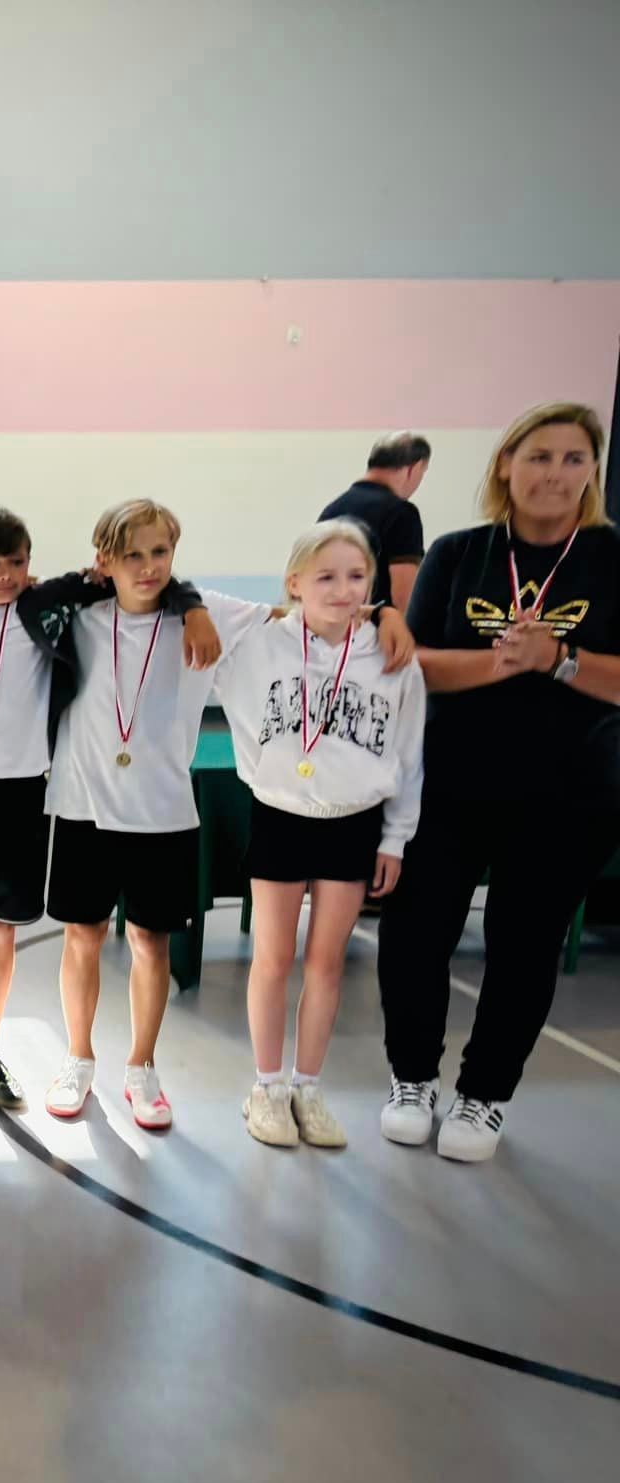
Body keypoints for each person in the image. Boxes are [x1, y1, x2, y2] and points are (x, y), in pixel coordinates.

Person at [0, 506, 214, 1118]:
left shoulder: (47, 612)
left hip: (26, 799)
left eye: (16, 563)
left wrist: (193, 606)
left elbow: (127, 579)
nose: (6, 576)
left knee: (1, 933)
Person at [378, 402, 620, 1162]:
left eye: (574, 459)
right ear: (506, 465)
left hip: (568, 794)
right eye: (539, 456)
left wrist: (561, 661)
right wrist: (505, 662)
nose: (555, 474)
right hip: (450, 784)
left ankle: (483, 1096)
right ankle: (412, 1079)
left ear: (593, 471)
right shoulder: (459, 553)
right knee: (415, 936)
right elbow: (414, 661)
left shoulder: (613, 558)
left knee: (525, 947)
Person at [40, 500, 283, 1129]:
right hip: (83, 806)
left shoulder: (207, 615)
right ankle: (77, 1059)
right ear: (104, 561)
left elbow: (292, 617)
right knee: (83, 936)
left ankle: (142, 1068)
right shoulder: (81, 615)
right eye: (132, 555)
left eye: (160, 553)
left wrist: (380, 615)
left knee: (150, 943)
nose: (149, 567)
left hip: (163, 812)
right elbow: (12, 596)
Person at [214, 520, 424, 1148]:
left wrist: (395, 839)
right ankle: (266, 1087)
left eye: (357, 577)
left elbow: (409, 755)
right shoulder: (260, 641)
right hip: (280, 813)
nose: (342, 589)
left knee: (326, 963)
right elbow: (187, 597)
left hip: (352, 822)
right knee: (273, 958)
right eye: (325, 577)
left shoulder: (392, 658)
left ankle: (307, 1086)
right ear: (294, 583)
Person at [319, 433, 432, 611]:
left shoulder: (331, 511)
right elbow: (405, 598)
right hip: (377, 625)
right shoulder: (401, 513)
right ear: (414, 468)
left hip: (334, 622)